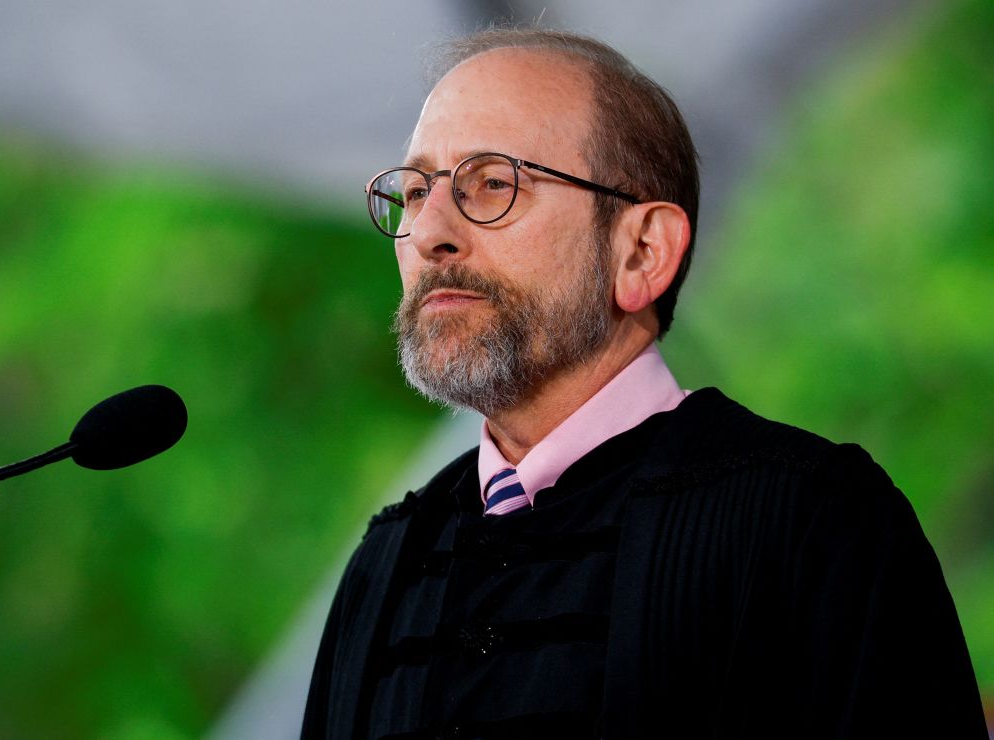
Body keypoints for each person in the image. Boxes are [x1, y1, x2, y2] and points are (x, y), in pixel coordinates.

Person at [302, 28, 986, 740]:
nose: (427, 231)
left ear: (643, 252)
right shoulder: (386, 566)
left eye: (493, 183)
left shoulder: (810, 521)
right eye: (413, 192)